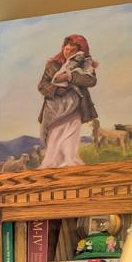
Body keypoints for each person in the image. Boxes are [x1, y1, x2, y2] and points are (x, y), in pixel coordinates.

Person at [35, 34, 101, 168]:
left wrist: (70, 77)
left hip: (75, 107)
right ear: (63, 48)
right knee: (54, 137)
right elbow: (42, 85)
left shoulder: (84, 64)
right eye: (66, 49)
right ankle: (52, 165)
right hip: (55, 109)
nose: (68, 52)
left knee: (70, 137)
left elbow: (91, 81)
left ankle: (69, 163)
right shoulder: (53, 65)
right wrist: (55, 90)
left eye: (72, 50)